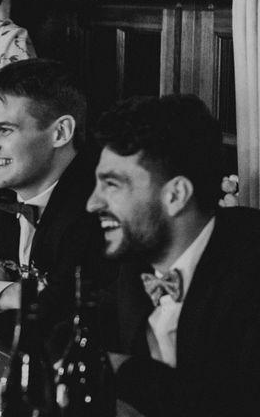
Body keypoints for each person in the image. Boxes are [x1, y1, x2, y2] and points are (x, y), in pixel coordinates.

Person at [87, 95, 260, 417]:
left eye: (112, 185)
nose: (93, 203)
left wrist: (125, 369)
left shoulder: (250, 272)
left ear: (176, 195)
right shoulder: (137, 259)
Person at [0, 59, 111, 344]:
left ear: (60, 133)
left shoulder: (97, 208)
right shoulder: (0, 190)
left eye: (5, 130)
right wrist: (9, 294)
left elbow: (66, 331)